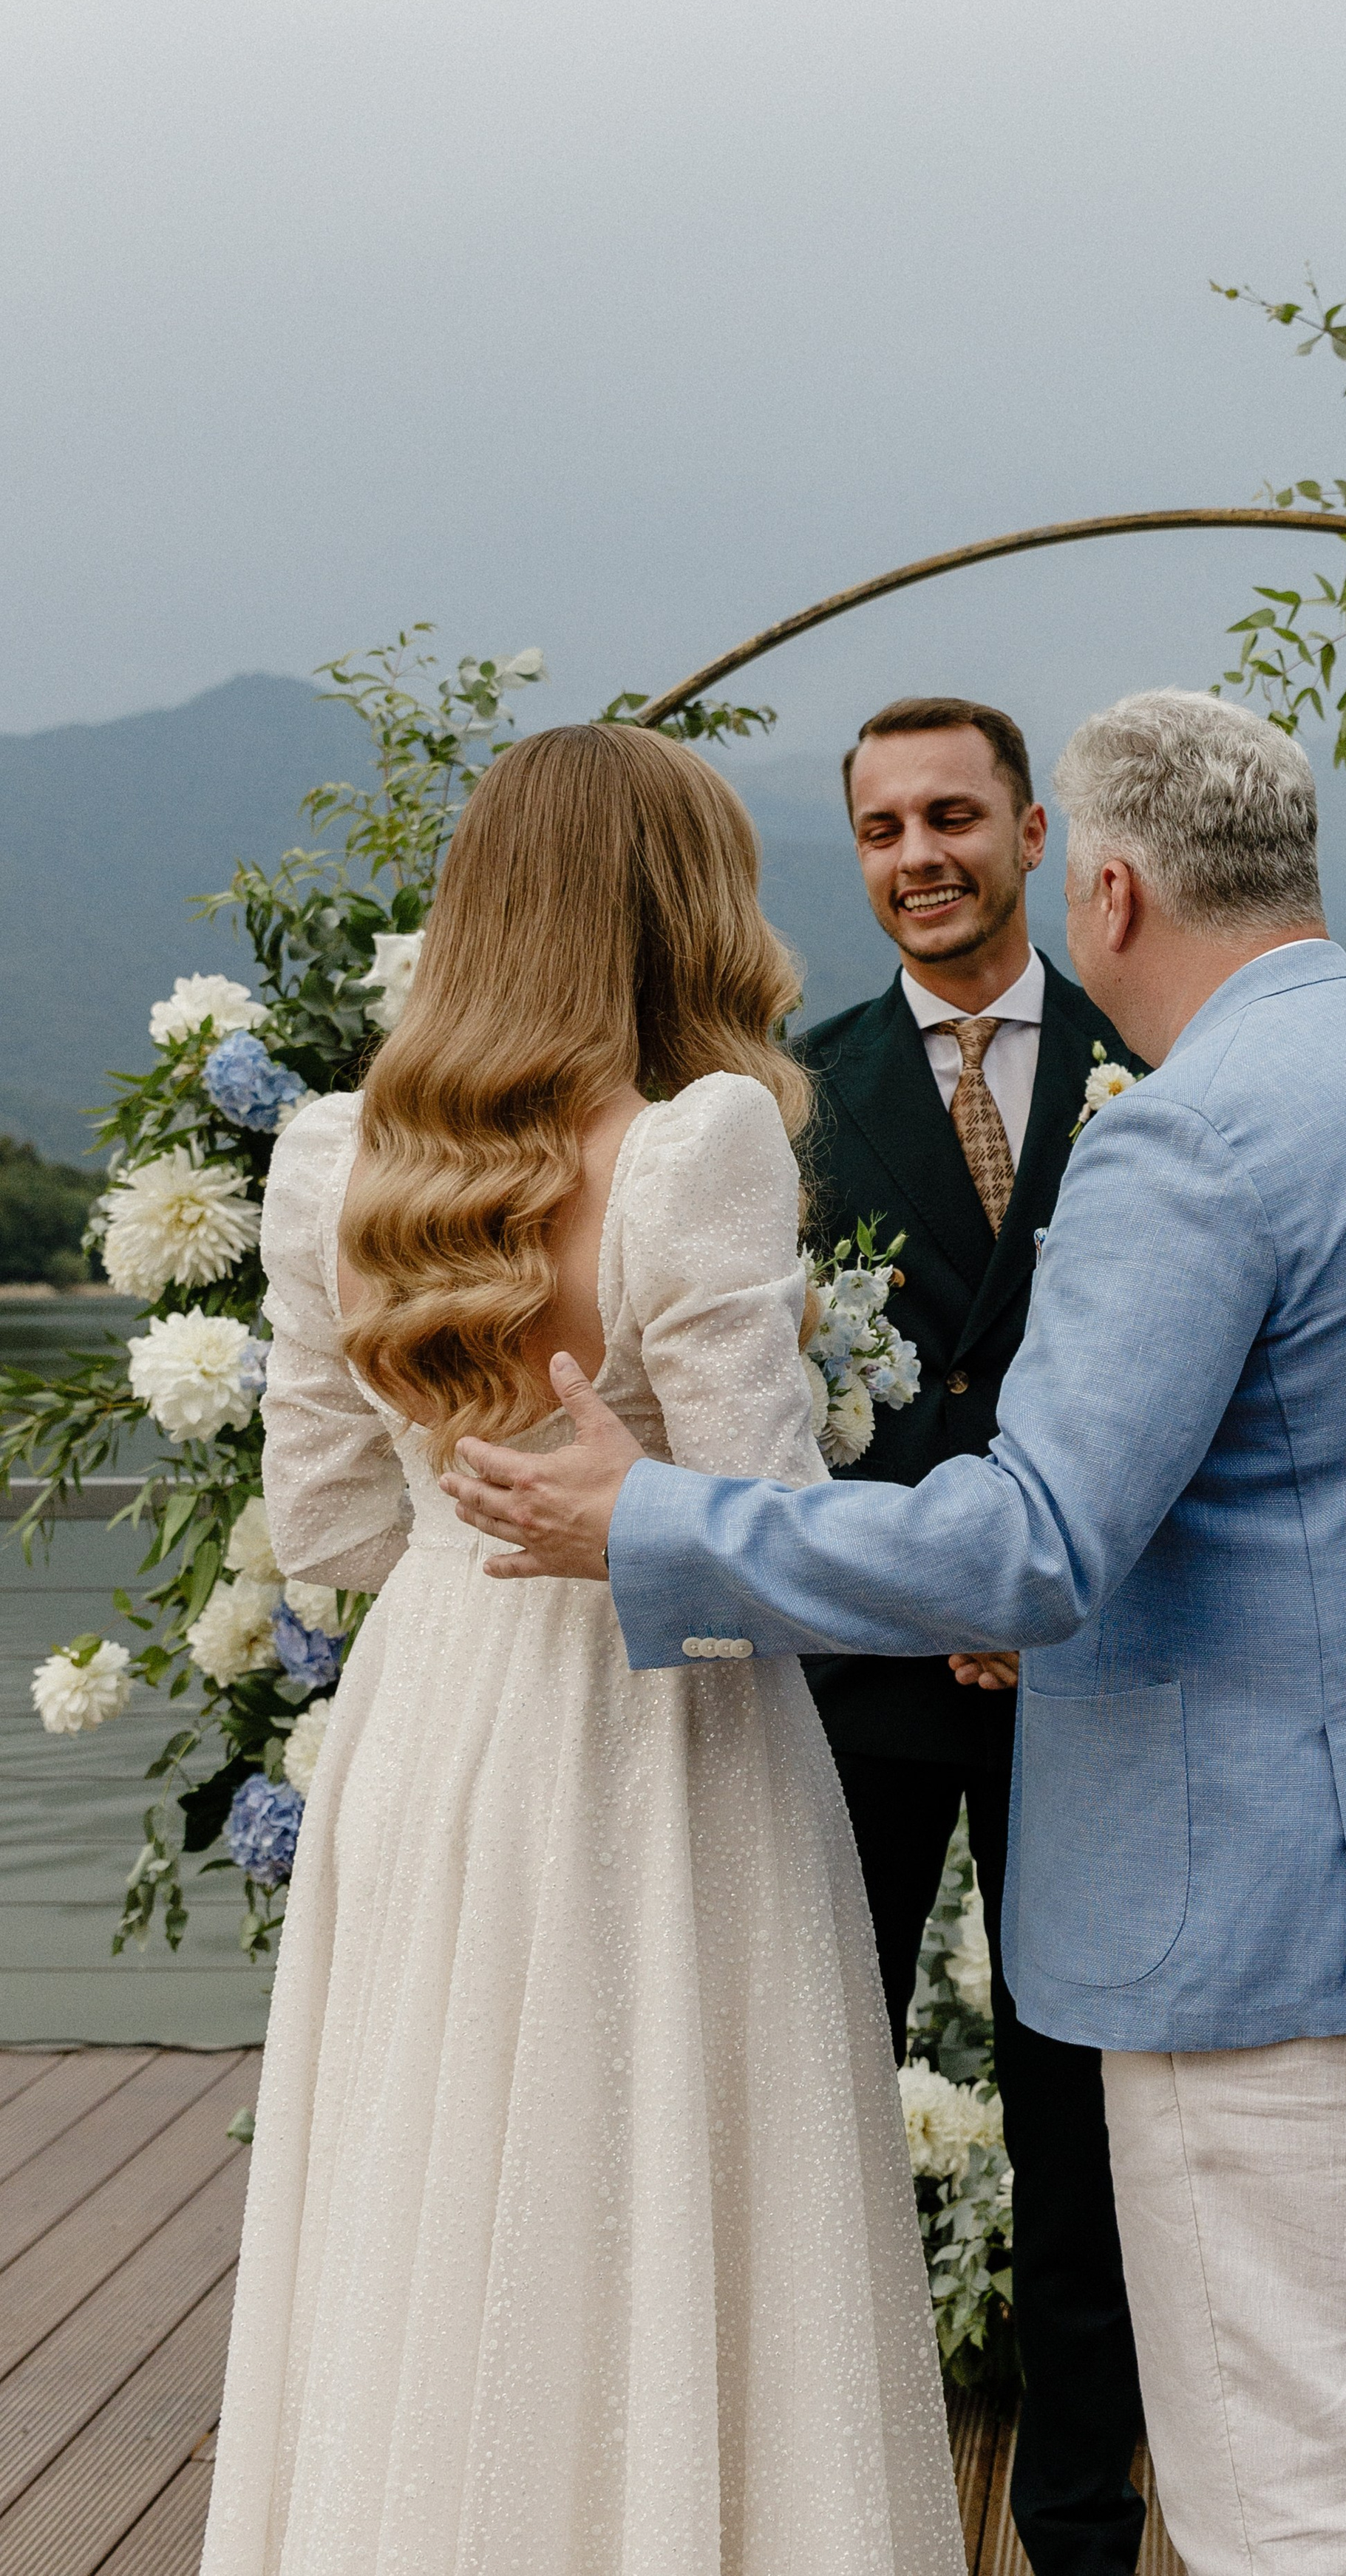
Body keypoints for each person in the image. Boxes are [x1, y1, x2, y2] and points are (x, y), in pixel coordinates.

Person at [443, 689, 1346, 2576]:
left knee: (1297, 2500)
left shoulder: (1192, 1136)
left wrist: (650, 1522)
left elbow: (1035, 1544)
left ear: (1111, 887)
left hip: (1270, 1926)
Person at [200, 723, 965, 2576]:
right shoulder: (698, 1146)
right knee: (661, 2177)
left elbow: (331, 1536)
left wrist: (467, 1491)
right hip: (656, 1723)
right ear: (681, 904)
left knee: (431, 2185)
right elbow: (765, 1547)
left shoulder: (329, 1164)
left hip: (428, 1712)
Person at [799, 695, 1146, 2576]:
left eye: (949, 815)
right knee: (811, 2095)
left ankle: (1080, 2529)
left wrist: (1036, 1583)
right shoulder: (792, 1091)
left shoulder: (1144, 1059)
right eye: (881, 828)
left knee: (1076, 2123)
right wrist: (941, 1581)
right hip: (855, 1683)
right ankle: (820, 2507)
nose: (916, 855)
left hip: (1089, 1676)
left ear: (1030, 831)